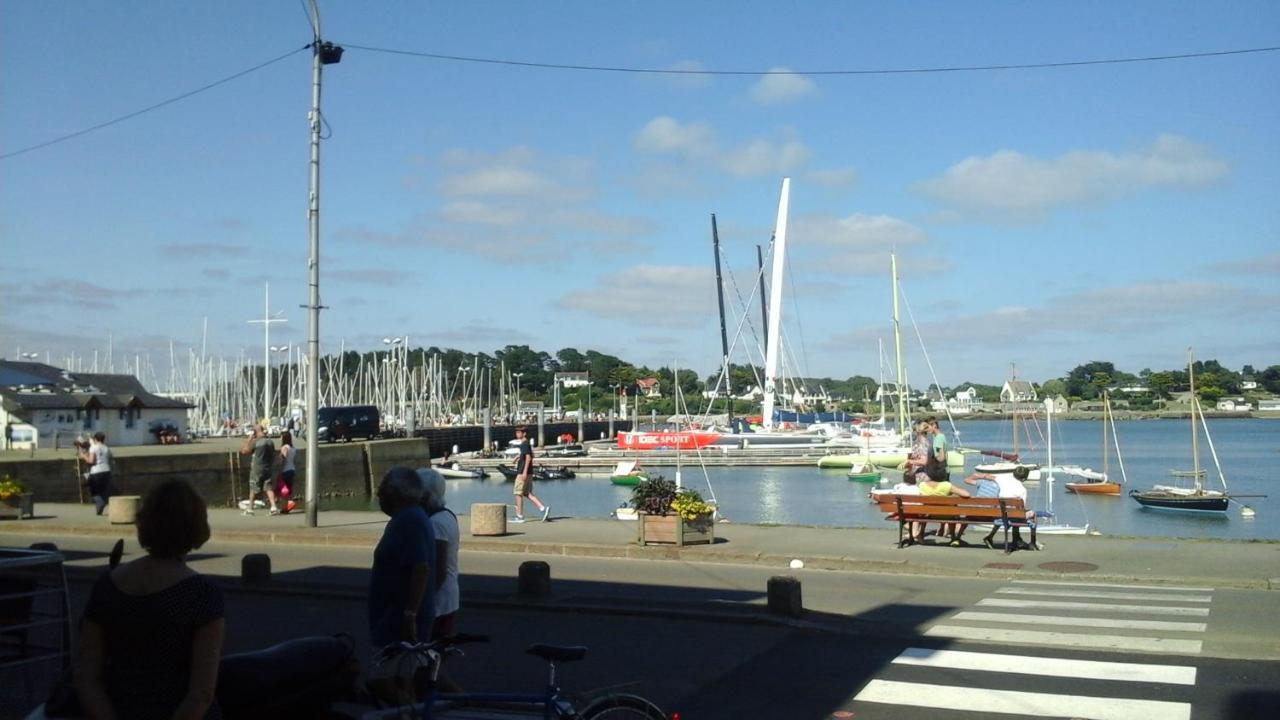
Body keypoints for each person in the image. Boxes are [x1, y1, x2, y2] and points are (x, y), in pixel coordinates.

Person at [73, 479, 224, 719]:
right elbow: (201, 694)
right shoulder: (203, 593)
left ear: (144, 523)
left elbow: (87, 677)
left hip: (120, 707)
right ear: (197, 527)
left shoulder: (107, 586)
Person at [367, 467, 436, 706]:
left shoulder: (409, 520)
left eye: (384, 488)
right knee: (403, 679)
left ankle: (413, 713)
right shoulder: (411, 517)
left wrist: (409, 614)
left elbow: (420, 568)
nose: (380, 493)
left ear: (396, 492)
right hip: (396, 614)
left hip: (398, 618)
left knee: (378, 679)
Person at [965, 466, 1037, 550]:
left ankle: (1011, 539)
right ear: (1024, 479)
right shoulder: (1022, 490)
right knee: (1030, 514)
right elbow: (1021, 508)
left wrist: (980, 476)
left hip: (999, 512)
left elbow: (990, 477)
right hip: (1010, 514)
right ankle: (1032, 542)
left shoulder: (1002, 479)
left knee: (1007, 514)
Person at [918, 464, 971, 546]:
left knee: (925, 508)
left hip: (928, 514)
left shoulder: (922, 485)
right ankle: (953, 537)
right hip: (946, 515)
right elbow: (966, 494)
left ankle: (921, 534)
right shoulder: (946, 485)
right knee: (953, 511)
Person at [511, 427, 549, 523]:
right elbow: (529, 454)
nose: (517, 434)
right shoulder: (526, 444)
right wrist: (517, 457)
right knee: (527, 493)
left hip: (522, 472)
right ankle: (542, 508)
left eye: (519, 432)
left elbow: (528, 458)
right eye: (516, 432)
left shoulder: (524, 444)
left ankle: (519, 516)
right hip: (529, 472)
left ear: (524, 434)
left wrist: (524, 471)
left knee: (517, 493)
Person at [238, 424, 276, 516]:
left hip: (257, 467)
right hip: (267, 467)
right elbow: (273, 454)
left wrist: (249, 439)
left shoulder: (257, 442)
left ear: (255, 432)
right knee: (268, 487)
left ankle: (250, 508)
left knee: (253, 487)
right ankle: (273, 506)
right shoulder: (270, 442)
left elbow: (244, 451)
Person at [79, 432, 113, 516]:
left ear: (95, 439)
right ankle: (99, 510)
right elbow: (111, 458)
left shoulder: (93, 448)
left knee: (93, 491)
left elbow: (91, 461)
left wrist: (83, 456)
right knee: (101, 491)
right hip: (107, 472)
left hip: (96, 472)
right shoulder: (107, 448)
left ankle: (101, 503)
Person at [276, 430, 298, 514]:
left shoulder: (285, 447)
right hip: (292, 469)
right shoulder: (293, 448)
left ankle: (284, 508)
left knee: (283, 490)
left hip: (285, 470)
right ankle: (286, 507)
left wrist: (280, 471)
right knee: (288, 490)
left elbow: (283, 459)